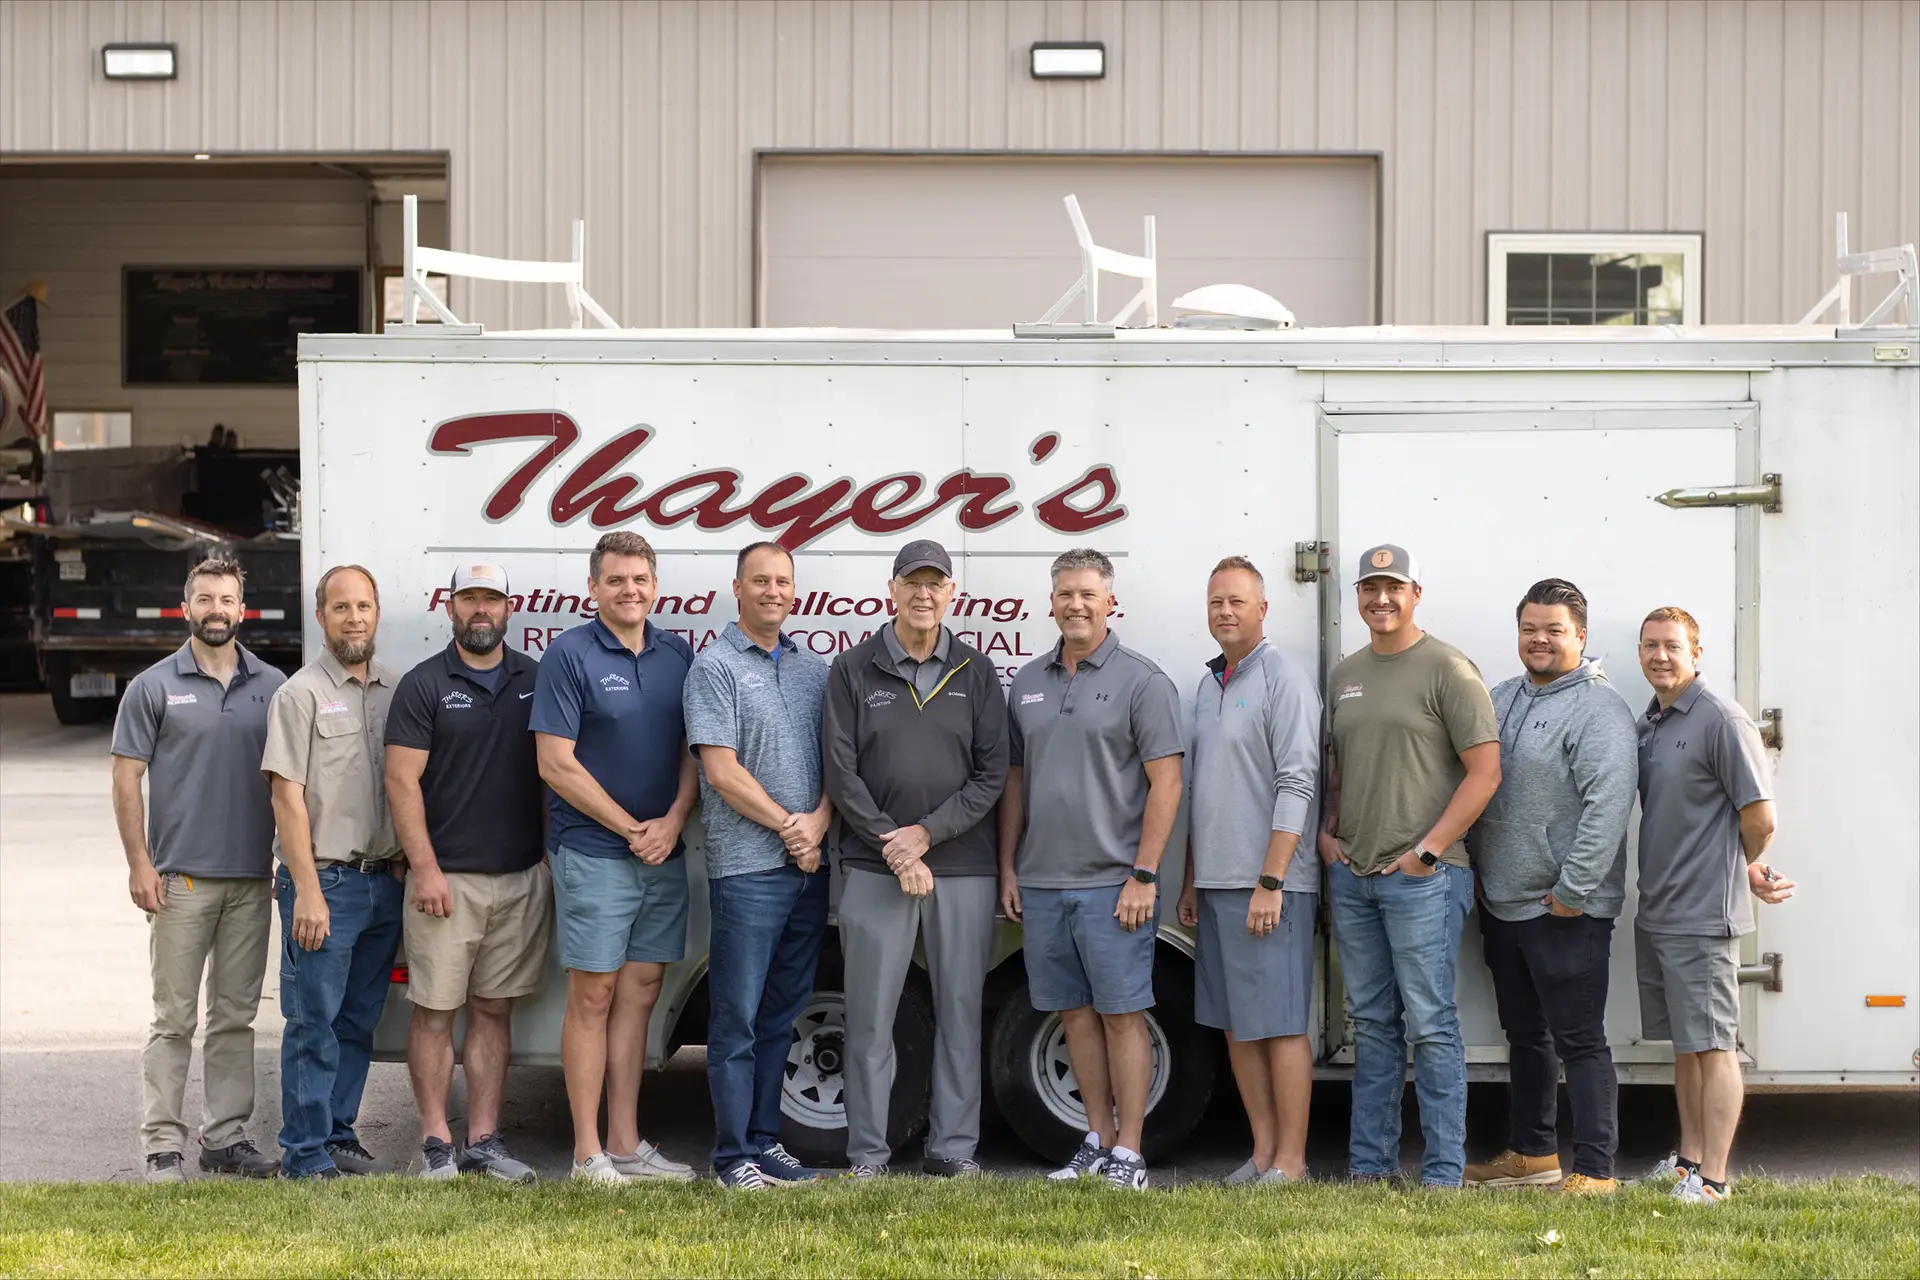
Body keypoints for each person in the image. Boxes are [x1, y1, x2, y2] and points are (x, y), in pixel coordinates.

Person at [823, 539, 1010, 1180]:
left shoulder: (977, 672)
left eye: (935, 583)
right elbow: (841, 775)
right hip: (874, 865)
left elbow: (992, 775)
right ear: (893, 590)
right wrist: (893, 846)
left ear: (951, 593)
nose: (923, 594)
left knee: (960, 1010)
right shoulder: (853, 669)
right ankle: (868, 1155)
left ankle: (953, 1148)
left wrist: (925, 836)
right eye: (912, 582)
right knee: (870, 1017)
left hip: (963, 867)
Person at [999, 547, 1185, 1191]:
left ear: (1110, 602)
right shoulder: (1027, 681)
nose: (1075, 605)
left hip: (1114, 885)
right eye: (1065, 594)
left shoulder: (1143, 682)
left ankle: (1130, 1152)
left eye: (1087, 594)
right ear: (1050, 602)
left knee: (1122, 1015)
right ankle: (1097, 1140)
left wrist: (1144, 874)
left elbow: (1167, 783)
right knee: (1073, 1015)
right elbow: (1016, 781)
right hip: (1043, 882)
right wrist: (1009, 867)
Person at [1319, 543, 1500, 1188]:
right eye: (1370, 588)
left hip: (1426, 878)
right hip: (1355, 875)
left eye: (1394, 587)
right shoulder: (1345, 674)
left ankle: (1443, 1174)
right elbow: (1340, 766)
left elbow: (1485, 772)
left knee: (1430, 1024)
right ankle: (1371, 1169)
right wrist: (1328, 831)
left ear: (1416, 595)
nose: (1381, 599)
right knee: (1371, 1025)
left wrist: (1426, 852)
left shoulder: (1448, 668)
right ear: (1358, 597)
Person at [111, 556, 286, 1183]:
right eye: (205, 599)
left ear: (243, 609)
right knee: (174, 1020)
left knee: (235, 1018)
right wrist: (139, 863)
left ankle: (225, 1138)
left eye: (227, 600)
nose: (217, 610)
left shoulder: (274, 685)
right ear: (185, 609)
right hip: (179, 881)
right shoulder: (152, 686)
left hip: (251, 880)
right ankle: (162, 1144)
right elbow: (126, 779)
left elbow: (291, 784)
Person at [532, 531, 698, 1185]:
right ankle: (586, 1154)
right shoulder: (568, 654)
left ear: (655, 586)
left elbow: (693, 751)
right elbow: (555, 764)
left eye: (640, 579)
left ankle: (626, 1145)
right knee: (594, 995)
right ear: (593, 588)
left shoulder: (677, 654)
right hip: (594, 852)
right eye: (616, 579)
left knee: (641, 992)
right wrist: (633, 828)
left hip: (663, 853)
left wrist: (674, 819)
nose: (630, 590)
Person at [1464, 579, 1637, 1195]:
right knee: (1526, 1037)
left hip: (1565, 909)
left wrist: (1573, 890)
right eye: (1529, 628)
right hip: (1504, 901)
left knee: (1580, 1041)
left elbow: (1607, 807)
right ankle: (1532, 1154)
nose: (1539, 639)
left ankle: (1595, 1170)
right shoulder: (1503, 696)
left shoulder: (1599, 709)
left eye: (1554, 630)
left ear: (1580, 636)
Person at [385, 564, 547, 1184]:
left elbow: (550, 772)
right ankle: (435, 1142)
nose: (482, 609)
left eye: (492, 599)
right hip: (445, 883)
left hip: (520, 879)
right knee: (434, 1011)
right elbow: (401, 782)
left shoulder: (534, 678)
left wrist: (545, 858)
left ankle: (483, 1140)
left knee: (493, 1009)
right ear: (450, 607)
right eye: (470, 598)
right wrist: (425, 868)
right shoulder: (424, 684)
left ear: (509, 607)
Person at [683, 542, 834, 1191]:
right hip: (747, 872)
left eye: (783, 581)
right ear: (737, 588)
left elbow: (837, 763)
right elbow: (720, 771)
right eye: (761, 580)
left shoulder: (813, 669)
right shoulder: (713, 667)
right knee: (737, 1019)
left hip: (809, 868)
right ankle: (731, 1157)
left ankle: (766, 1142)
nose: (773, 591)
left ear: (794, 591)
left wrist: (818, 822)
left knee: (781, 1013)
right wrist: (790, 828)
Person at [1633, 605, 1790, 1205]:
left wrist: (1735, 868)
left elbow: (1760, 817)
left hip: (1702, 915)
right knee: (1688, 1046)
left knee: (1715, 1046)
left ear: (1696, 653)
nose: (1660, 656)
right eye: (1650, 645)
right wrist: (1739, 864)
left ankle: (1715, 1181)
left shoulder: (1721, 720)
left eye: (1673, 645)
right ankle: (1688, 1165)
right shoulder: (1652, 721)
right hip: (1660, 910)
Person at [1175, 556, 1320, 1186]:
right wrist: (1191, 880)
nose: (1225, 612)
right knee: (1237, 1025)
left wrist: (1271, 880)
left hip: (1269, 886)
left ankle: (1292, 1161)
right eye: (1216, 602)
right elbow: (1203, 791)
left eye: (1237, 601)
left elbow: (1298, 781)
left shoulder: (1284, 678)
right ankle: (1262, 1153)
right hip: (1216, 884)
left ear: (1263, 609)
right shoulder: (1211, 684)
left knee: (1279, 1025)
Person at [261, 564, 404, 1180]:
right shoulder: (299, 695)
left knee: (357, 1020)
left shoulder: (396, 690)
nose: (354, 618)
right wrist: (308, 893)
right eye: (341, 607)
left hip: (383, 883)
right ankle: (303, 1152)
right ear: (320, 617)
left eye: (363, 606)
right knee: (312, 1022)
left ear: (378, 613)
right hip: (326, 883)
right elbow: (286, 798)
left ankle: (339, 1134)